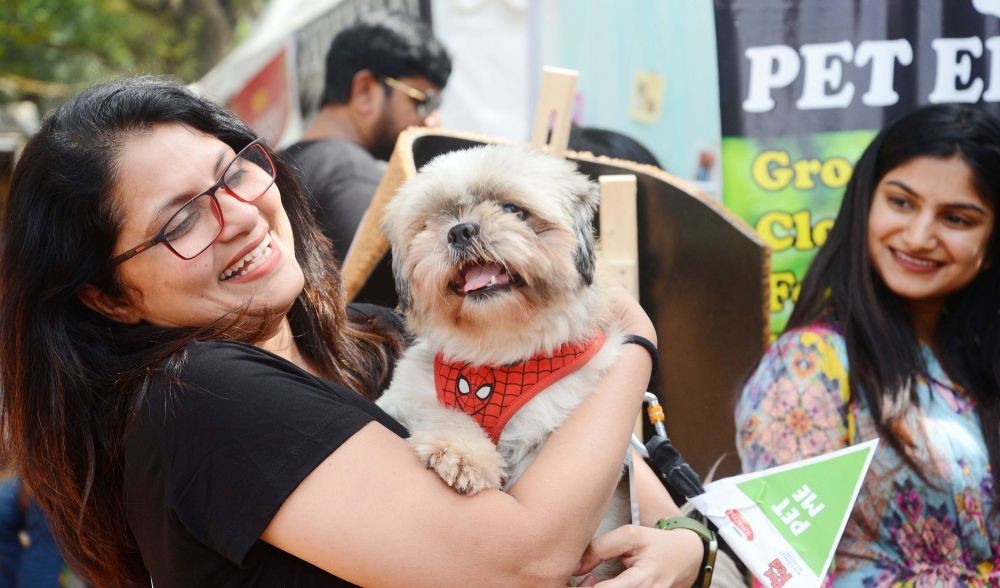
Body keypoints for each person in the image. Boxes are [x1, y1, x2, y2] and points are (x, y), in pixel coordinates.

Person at [0, 76, 706, 587]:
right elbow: (517, 565)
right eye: (181, 221)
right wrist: (632, 347)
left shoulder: (381, 342)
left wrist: (685, 548)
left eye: (234, 173)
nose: (239, 215)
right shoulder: (201, 398)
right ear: (109, 297)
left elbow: (629, 487)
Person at [736, 104, 1000, 585]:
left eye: (957, 218)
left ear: (991, 246)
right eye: (902, 202)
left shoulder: (981, 364)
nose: (919, 237)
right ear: (865, 204)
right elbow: (780, 566)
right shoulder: (811, 362)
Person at [282, 11, 451, 308]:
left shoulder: (286, 162)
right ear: (365, 91)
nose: (432, 121)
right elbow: (391, 314)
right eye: (421, 101)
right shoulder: (352, 175)